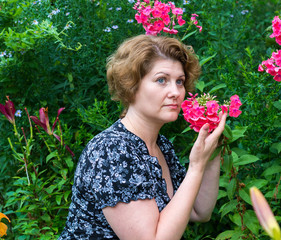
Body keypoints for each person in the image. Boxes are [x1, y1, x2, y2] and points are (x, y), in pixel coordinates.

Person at [59, 34, 227, 239]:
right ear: (131, 85)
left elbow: (199, 211)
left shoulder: (161, 146)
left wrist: (212, 151)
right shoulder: (111, 151)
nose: (175, 91)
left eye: (180, 81)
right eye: (161, 80)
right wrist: (196, 166)